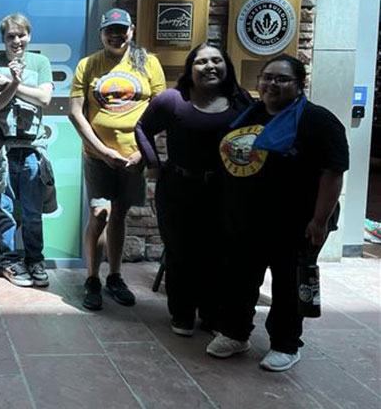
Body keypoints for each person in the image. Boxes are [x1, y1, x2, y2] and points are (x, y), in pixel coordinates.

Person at [206, 55, 348, 372]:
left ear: (300, 85)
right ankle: (235, 333)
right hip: (248, 220)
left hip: (297, 223)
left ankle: (285, 344)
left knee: (287, 285)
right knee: (240, 279)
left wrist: (319, 221)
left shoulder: (317, 121)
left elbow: (332, 173)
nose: (272, 84)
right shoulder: (248, 115)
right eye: (267, 77)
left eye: (282, 79)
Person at [135, 43, 252, 335]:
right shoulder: (173, 100)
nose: (210, 66)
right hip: (179, 189)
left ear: (227, 66)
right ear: (190, 68)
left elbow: (257, 135)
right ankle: (182, 314)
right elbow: (141, 128)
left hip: (225, 190)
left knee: (219, 253)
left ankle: (212, 314)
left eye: (217, 60)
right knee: (181, 253)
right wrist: (152, 162)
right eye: (202, 62)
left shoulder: (241, 100)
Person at [68, 8, 165, 311]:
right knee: (100, 213)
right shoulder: (89, 64)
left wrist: (143, 151)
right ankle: (93, 279)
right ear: (101, 33)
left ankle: (115, 276)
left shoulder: (148, 63)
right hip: (99, 156)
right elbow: (75, 113)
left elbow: (162, 110)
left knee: (120, 214)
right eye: (110, 30)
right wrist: (101, 150)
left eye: (121, 29)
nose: (115, 35)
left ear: (131, 31)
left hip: (133, 158)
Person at [0, 14, 55, 288]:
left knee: (33, 211)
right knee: (5, 211)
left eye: (21, 35)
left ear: (29, 36)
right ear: (3, 39)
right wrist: (14, 86)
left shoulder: (41, 62)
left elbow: (45, 98)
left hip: (32, 150)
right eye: (10, 36)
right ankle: (10, 261)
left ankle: (35, 259)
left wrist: (11, 85)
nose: (16, 40)